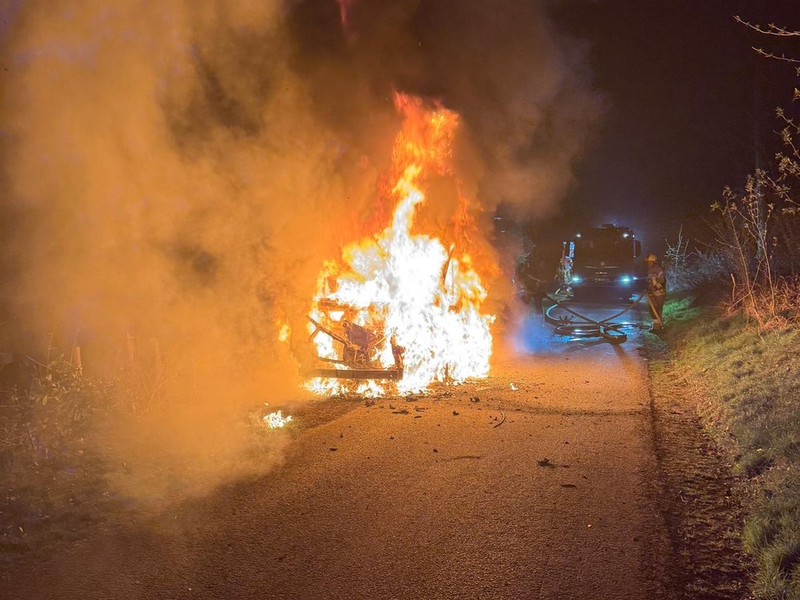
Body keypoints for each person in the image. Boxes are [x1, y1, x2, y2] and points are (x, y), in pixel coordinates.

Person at [646, 254, 667, 332]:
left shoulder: (658, 270)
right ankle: (655, 327)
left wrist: (654, 288)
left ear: (654, 262)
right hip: (652, 294)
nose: (648, 264)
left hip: (659, 294)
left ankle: (659, 327)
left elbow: (662, 282)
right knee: (652, 310)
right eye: (648, 262)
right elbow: (649, 281)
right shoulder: (649, 270)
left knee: (657, 310)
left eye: (649, 262)